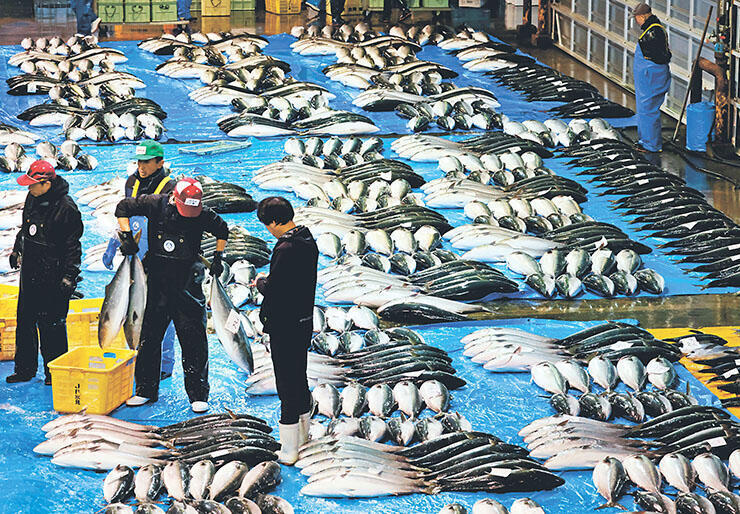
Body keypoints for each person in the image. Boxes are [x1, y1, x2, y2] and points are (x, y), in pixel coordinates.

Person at [115, 178, 228, 413]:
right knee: (149, 337)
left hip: (188, 281)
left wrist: (218, 256)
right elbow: (123, 208)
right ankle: (145, 390)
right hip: (156, 280)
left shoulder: (203, 213)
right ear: (174, 199)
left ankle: (198, 394)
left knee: (194, 340)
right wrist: (126, 237)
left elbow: (222, 229)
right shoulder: (155, 203)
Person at [102, 140, 177, 380]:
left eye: (147, 162)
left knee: (161, 311)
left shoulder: (169, 187)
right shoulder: (131, 182)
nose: (142, 166)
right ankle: (139, 354)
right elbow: (124, 214)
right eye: (139, 161)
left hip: (158, 255)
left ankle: (164, 364)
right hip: (133, 251)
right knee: (133, 307)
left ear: (160, 162)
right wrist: (117, 241)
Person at [6, 161, 83, 386]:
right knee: (25, 324)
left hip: (53, 277)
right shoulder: (33, 198)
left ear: (46, 183)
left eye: (32, 185)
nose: (28, 189)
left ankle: (55, 373)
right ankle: (25, 369)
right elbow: (25, 228)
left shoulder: (66, 208)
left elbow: (73, 246)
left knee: (52, 329)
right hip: (30, 274)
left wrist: (69, 277)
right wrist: (17, 248)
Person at [254, 197, 318, 464]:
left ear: (275, 221)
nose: (268, 229)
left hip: (285, 325)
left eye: (267, 224)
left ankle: (290, 449)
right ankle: (304, 436)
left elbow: (276, 289)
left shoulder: (286, 248)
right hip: (303, 320)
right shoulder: (307, 239)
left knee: (286, 384)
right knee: (298, 377)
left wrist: (261, 283)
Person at [632, 2, 671, 153]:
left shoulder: (653, 32)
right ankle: (645, 141)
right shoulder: (654, 28)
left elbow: (661, 57)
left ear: (641, 16)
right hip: (648, 78)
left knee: (648, 110)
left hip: (651, 78)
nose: (636, 21)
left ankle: (651, 145)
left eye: (636, 17)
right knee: (644, 109)